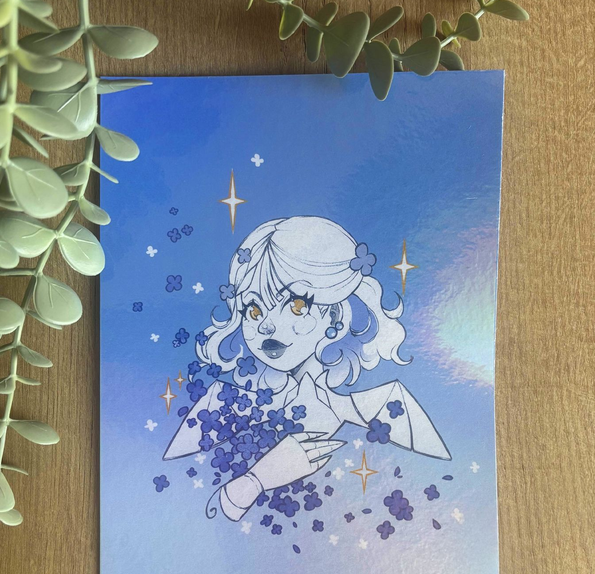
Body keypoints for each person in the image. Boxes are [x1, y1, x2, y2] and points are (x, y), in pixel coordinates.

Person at [164, 216, 450, 521]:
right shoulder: (220, 409)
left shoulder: (388, 412)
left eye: (296, 305)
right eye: (253, 309)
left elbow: (435, 503)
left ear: (335, 316)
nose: (267, 325)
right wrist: (255, 481)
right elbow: (165, 503)